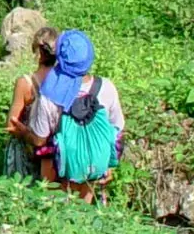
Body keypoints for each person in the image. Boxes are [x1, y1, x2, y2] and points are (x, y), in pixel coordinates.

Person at [27, 30, 124, 202]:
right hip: (94, 170)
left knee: (57, 218)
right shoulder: (107, 88)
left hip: (58, 176)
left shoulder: (49, 95)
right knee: (84, 217)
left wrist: (23, 132)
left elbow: (40, 140)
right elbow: (116, 128)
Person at [4, 27, 60, 181]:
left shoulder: (25, 83)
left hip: (28, 150)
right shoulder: (65, 82)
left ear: (37, 52)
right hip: (57, 150)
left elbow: (11, 124)